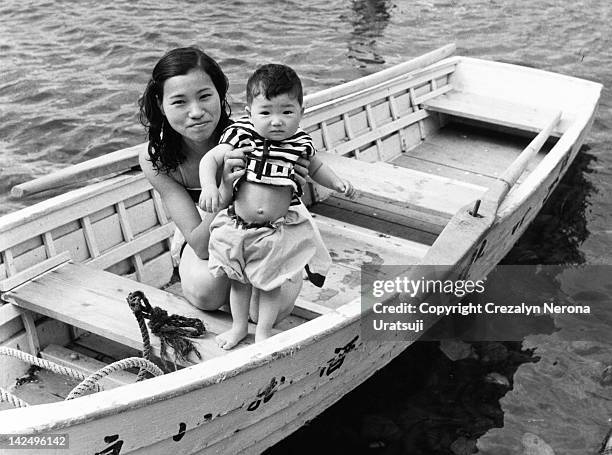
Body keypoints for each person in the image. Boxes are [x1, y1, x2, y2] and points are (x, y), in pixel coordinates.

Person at [138, 47, 309, 333]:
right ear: (160, 103)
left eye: (205, 96)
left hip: (270, 232)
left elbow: (303, 154)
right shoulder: (154, 159)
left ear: (220, 94)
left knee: (266, 312)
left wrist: (297, 179)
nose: (196, 113)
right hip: (206, 235)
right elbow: (201, 246)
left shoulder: (251, 136)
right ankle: (237, 284)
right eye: (179, 102)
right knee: (207, 291)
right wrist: (224, 191)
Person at [199, 64, 355, 349]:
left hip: (274, 231)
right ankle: (238, 328)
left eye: (287, 112)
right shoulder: (241, 136)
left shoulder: (300, 144)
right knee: (239, 282)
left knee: (270, 284)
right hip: (237, 227)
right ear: (250, 113)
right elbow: (210, 159)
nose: (277, 121)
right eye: (266, 112)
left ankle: (263, 332)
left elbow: (318, 168)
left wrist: (337, 183)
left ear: (301, 112)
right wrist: (210, 186)